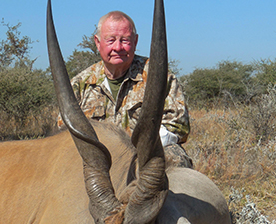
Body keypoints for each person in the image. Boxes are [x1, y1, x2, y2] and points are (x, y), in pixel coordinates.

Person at [57, 10, 193, 168]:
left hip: (144, 159)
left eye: (125, 40)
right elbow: (63, 131)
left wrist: (137, 151)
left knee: (175, 158)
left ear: (135, 42)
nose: (118, 47)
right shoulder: (79, 84)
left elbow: (177, 126)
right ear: (97, 42)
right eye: (111, 40)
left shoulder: (160, 77)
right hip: (97, 163)